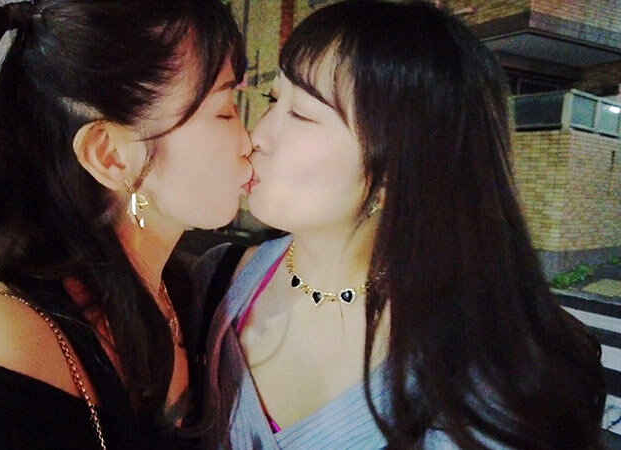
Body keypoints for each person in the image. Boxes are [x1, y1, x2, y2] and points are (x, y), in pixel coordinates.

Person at [190, 1, 606, 448]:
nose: (257, 136)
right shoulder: (217, 281)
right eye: (274, 100)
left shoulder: (479, 373)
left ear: (397, 168)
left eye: (302, 115)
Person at [0, 0, 253, 448]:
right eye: (225, 109)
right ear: (111, 156)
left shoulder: (184, 292)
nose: (250, 141)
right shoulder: (1, 342)